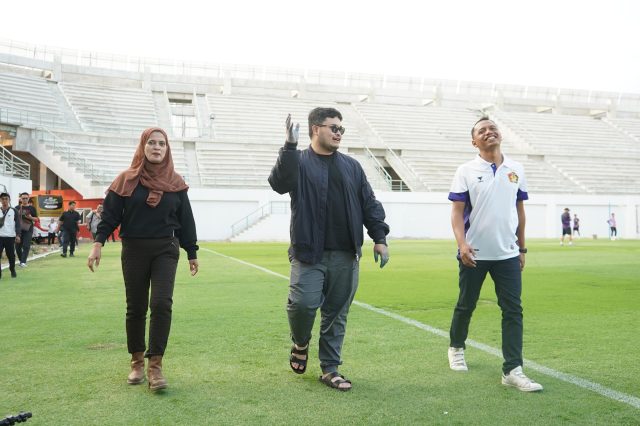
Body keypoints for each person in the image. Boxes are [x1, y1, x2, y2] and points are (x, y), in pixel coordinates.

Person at [268, 108, 390, 392]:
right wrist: (288, 147)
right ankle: (300, 342)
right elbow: (278, 184)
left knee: (336, 313)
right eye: (333, 127)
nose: (338, 133)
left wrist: (379, 237)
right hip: (308, 252)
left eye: (341, 129)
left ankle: (330, 369)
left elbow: (369, 203)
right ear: (315, 129)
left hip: (346, 254)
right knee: (302, 304)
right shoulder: (297, 161)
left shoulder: (352, 166)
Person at [87, 127, 199, 392]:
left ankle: (155, 365)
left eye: (162, 143)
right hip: (134, 249)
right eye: (152, 143)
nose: (157, 147)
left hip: (165, 249)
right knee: (136, 307)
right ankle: (136, 361)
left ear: (167, 148)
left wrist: (191, 251)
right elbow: (110, 216)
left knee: (161, 304)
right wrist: (97, 244)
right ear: (143, 146)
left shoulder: (176, 182)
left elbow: (186, 220)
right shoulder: (126, 180)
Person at [447, 117, 542, 392]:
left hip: (508, 254)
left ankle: (512, 370)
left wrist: (522, 248)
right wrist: (462, 244)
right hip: (474, 252)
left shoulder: (516, 169)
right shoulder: (466, 170)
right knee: (466, 304)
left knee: (513, 310)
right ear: (473, 141)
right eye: (481, 130)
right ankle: (456, 347)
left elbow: (520, 211)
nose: (489, 132)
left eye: (492, 128)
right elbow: (456, 212)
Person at [0, 192, 21, 279]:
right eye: (2, 199)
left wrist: (18, 235)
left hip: (10, 237)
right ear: (0, 200)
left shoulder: (14, 211)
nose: (4, 201)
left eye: (6, 199)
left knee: (11, 256)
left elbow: (18, 224)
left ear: (9, 200)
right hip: (0, 237)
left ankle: (12, 269)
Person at [15, 192, 37, 267]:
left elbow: (36, 219)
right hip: (18, 229)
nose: (24, 200)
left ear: (28, 198)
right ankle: (22, 261)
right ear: (21, 199)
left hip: (28, 229)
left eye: (26, 198)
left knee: (26, 245)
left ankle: (23, 262)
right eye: (23, 198)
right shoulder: (17, 208)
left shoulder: (32, 208)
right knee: (17, 247)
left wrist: (30, 217)